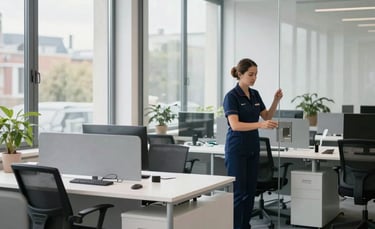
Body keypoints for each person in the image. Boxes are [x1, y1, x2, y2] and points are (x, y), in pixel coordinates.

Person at [223, 58, 283, 229]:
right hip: (237, 149)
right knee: (239, 193)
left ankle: (245, 225)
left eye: (256, 74)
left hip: (252, 148)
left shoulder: (255, 94)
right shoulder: (231, 97)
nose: (254, 78)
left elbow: (267, 116)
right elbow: (235, 125)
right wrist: (260, 125)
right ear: (240, 74)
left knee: (250, 193)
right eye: (250, 74)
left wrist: (275, 100)